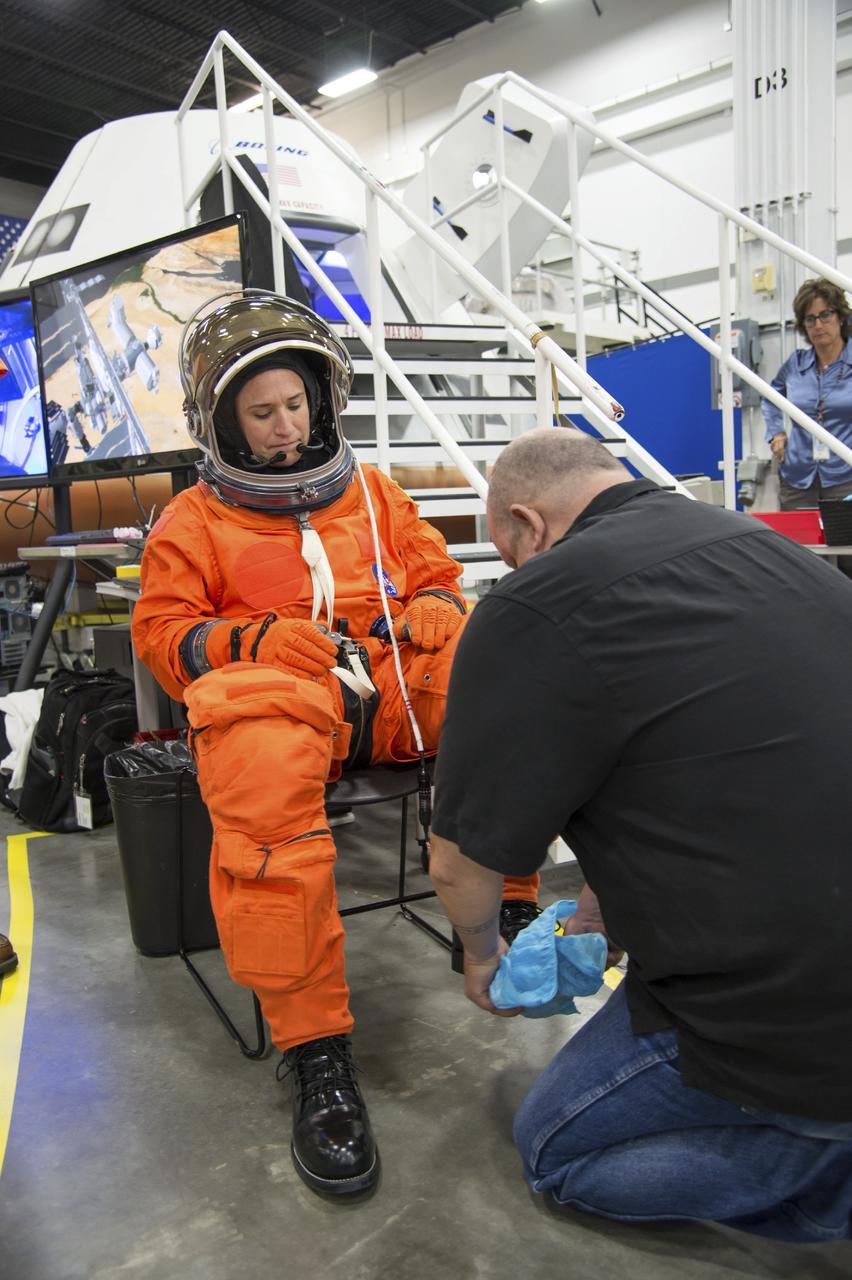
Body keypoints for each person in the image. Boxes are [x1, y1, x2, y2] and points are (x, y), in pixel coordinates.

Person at [131, 291, 539, 1198]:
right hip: (284, 693)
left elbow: (432, 565)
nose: (285, 427)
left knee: (499, 659)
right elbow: (163, 636)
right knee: (250, 727)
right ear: (226, 424)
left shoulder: (374, 490)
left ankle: (508, 905)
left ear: (322, 399)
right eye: (262, 413)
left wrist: (440, 601)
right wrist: (248, 640)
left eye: (295, 406)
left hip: (387, 686)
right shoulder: (193, 520)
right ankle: (315, 1049)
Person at [428, 426, 852, 1243]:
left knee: (555, 1151)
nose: (516, 570)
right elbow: (687, 766)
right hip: (819, 934)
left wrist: (482, 956)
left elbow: (457, 863)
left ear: (529, 524)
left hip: (793, 1011)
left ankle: (825, 1168)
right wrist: (594, 911)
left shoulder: (535, 604)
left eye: (509, 552)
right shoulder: (759, 546)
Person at [764, 277, 852, 509]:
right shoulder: (795, 363)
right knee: (796, 544)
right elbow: (770, 397)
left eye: (825, 315)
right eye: (810, 319)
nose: (818, 325)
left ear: (840, 317)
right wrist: (776, 433)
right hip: (797, 476)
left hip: (845, 475)